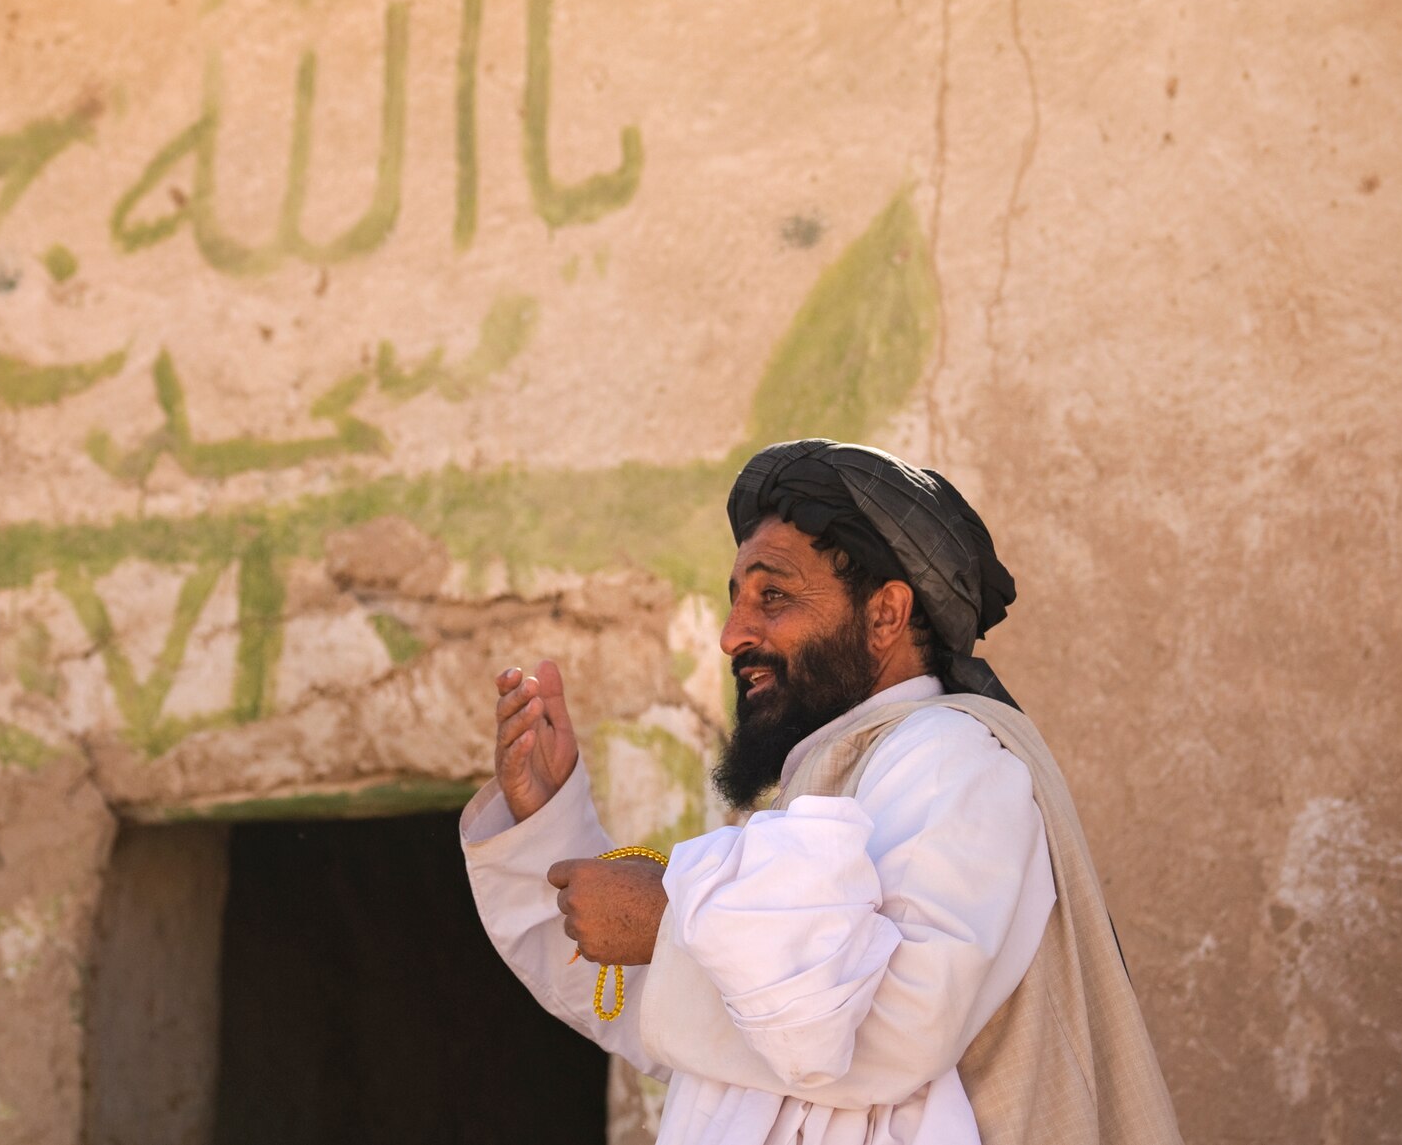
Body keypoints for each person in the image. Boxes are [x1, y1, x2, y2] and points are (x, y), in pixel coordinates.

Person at [461, 440, 1183, 1145]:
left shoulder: (950, 759)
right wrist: (548, 819)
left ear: (886, 614)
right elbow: (693, 1013)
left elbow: (893, 1030)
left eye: (773, 594)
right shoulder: (839, 778)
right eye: (736, 599)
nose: (732, 633)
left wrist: (666, 920)